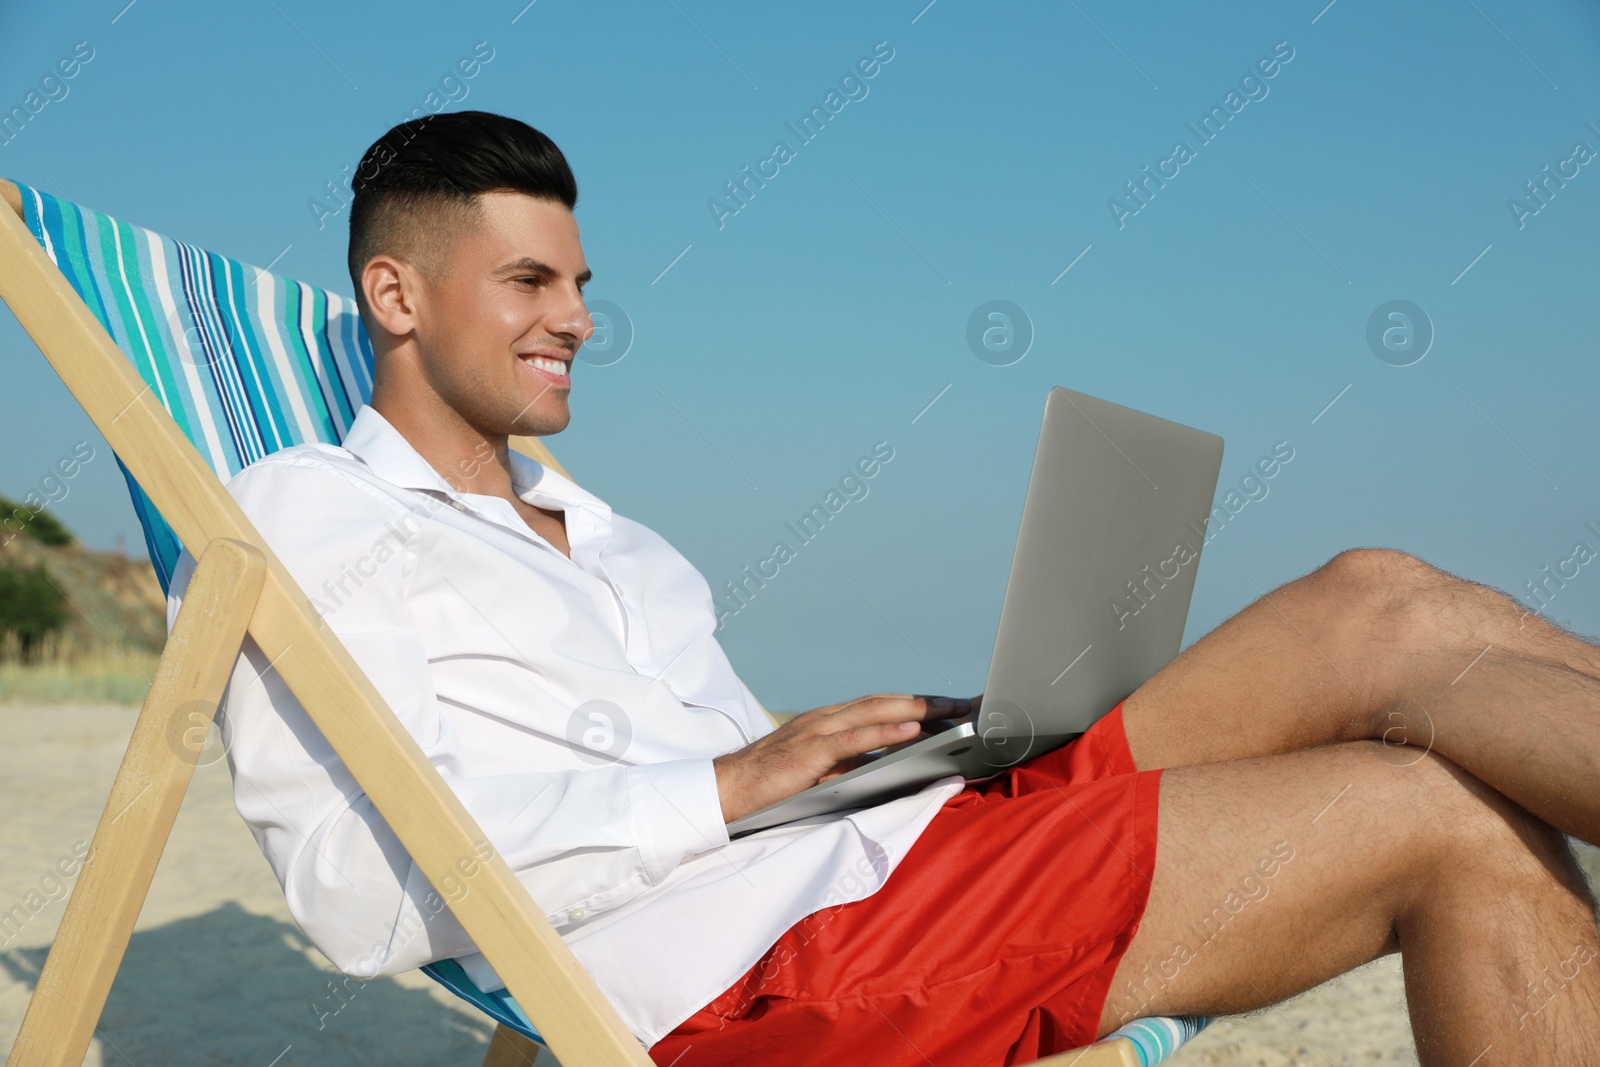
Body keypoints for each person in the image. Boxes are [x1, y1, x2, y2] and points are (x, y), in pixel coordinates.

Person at [168, 110, 1600, 1065]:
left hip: (902, 848)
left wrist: (912, 748)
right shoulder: (301, 513)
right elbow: (355, 903)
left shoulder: (614, 540)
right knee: (1441, 815)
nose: (579, 322)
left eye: (582, 282)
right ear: (395, 295)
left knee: (1381, 598)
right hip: (778, 972)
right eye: (531, 281)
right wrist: (729, 787)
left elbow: (758, 789)